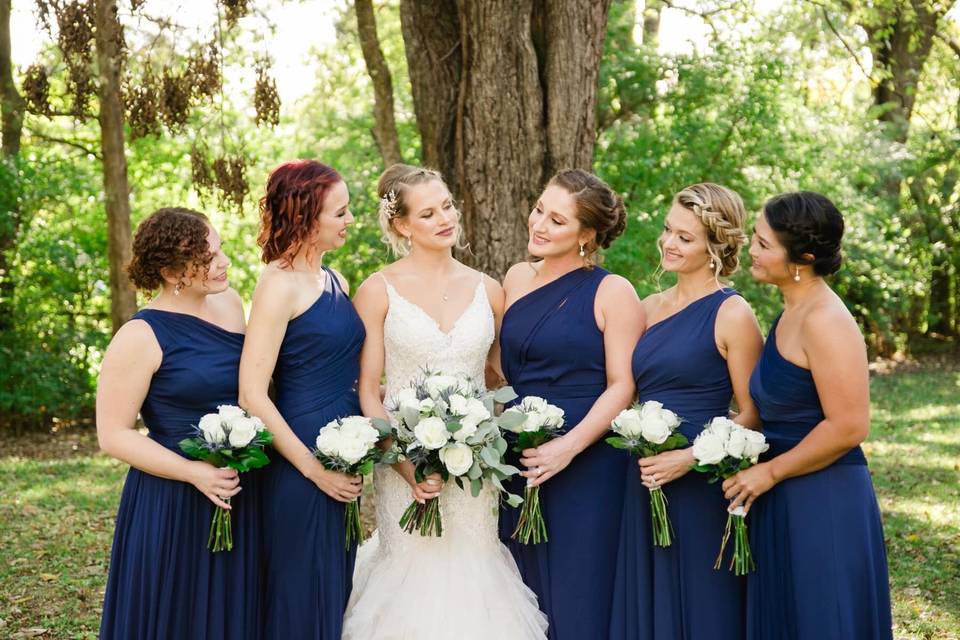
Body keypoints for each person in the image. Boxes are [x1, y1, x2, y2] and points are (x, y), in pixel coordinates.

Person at [723, 191, 892, 640]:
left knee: (822, 619)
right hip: (782, 493)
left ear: (803, 257)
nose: (751, 251)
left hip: (823, 499)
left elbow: (850, 425)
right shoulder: (791, 309)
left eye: (763, 244)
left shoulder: (825, 319)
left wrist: (770, 473)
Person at [98, 207, 258, 639]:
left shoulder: (229, 303)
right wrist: (194, 473)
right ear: (172, 271)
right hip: (172, 494)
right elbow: (112, 435)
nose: (223, 261)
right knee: (177, 612)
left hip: (236, 483)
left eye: (220, 248)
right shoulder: (140, 335)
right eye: (208, 257)